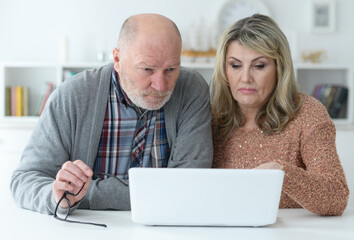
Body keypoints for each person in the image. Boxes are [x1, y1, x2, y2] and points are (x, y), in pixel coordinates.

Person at [10, 13, 213, 215]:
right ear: (117, 59)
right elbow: (25, 180)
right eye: (147, 69)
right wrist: (56, 197)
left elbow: (189, 184)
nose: (160, 86)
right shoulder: (72, 95)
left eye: (170, 69)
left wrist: (87, 193)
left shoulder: (191, 90)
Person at [211, 14, 349, 216]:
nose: (246, 78)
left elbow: (337, 198)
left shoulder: (307, 114)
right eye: (235, 65)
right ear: (224, 69)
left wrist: (282, 173)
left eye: (259, 66)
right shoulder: (209, 116)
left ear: (279, 67)